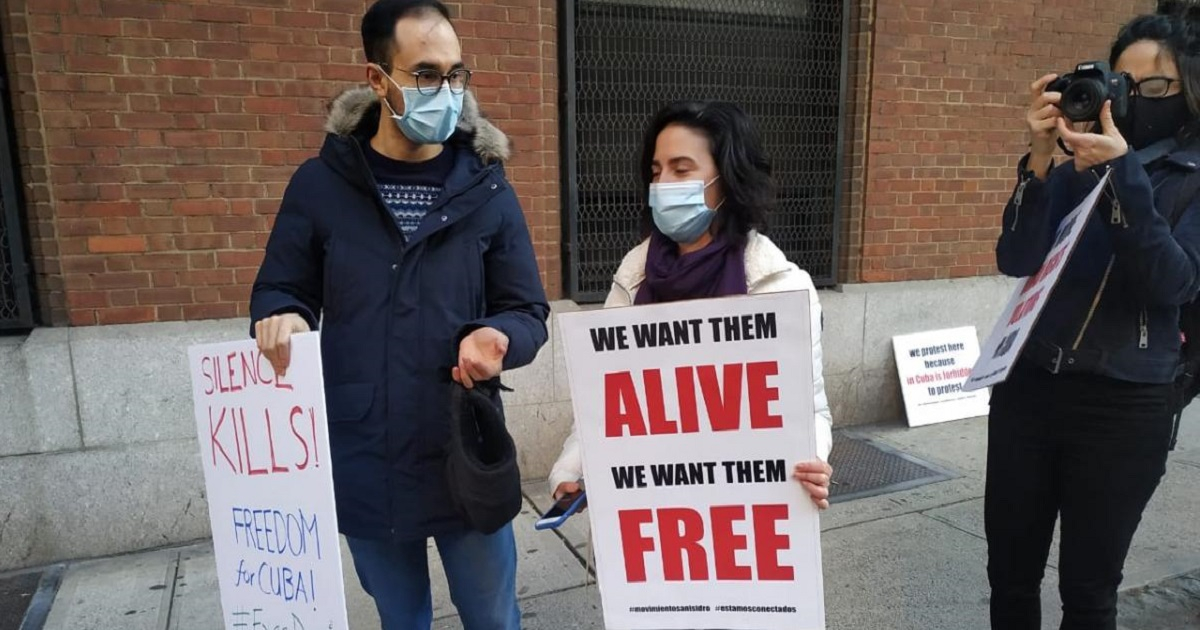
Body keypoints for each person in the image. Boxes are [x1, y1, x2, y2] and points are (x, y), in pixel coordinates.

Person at [249, 1, 549, 628]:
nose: (447, 91)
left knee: (494, 616)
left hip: (463, 444)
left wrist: (500, 335)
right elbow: (282, 288)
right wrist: (283, 317)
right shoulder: (320, 185)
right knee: (400, 618)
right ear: (377, 79)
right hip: (367, 453)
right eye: (426, 74)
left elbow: (526, 309)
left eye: (456, 74)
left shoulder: (488, 187)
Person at [989, 4, 1200, 629]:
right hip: (1029, 389)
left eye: (1153, 87)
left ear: (1189, 89)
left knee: (1087, 591)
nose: (1131, 98)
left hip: (1124, 405)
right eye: (1119, 84)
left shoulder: (1185, 175)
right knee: (1010, 579)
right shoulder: (1073, 165)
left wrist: (1121, 173)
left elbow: (1172, 280)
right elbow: (1017, 256)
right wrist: (1039, 155)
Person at [547, 100, 835, 510]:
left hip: (743, 513)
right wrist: (571, 470)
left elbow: (811, 411)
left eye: (681, 170)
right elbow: (606, 406)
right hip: (650, 515)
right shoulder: (632, 280)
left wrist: (813, 462)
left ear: (728, 178)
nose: (664, 183)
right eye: (656, 171)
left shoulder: (780, 288)